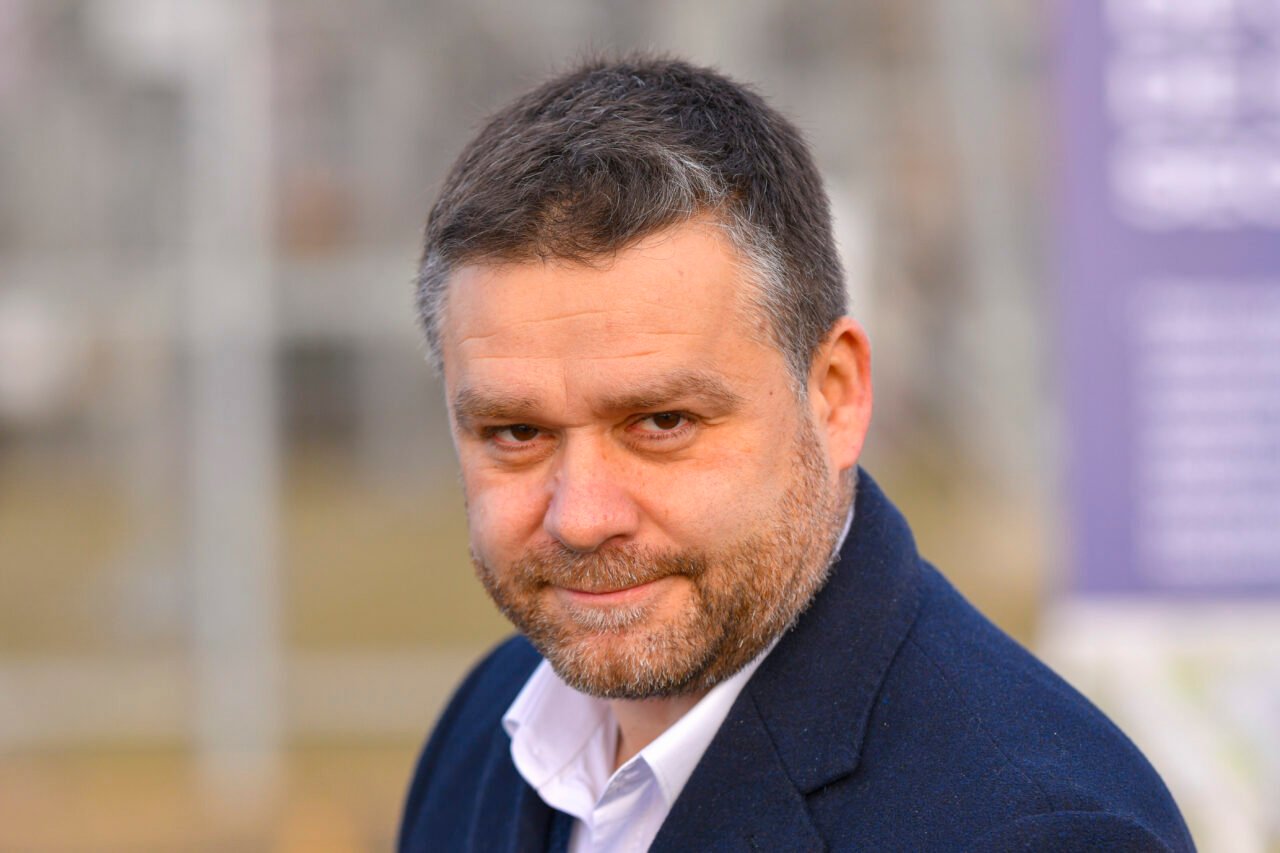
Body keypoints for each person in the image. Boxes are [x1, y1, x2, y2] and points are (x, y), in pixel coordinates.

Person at [398, 55, 1194, 852]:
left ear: (836, 396)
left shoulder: (1036, 828)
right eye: (516, 433)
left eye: (662, 421)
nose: (580, 517)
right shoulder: (486, 725)